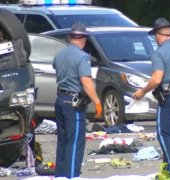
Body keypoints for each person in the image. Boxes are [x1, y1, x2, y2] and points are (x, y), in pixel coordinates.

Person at [133, 18, 170, 179]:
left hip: (169, 95)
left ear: (158, 35)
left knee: (163, 132)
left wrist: (142, 92)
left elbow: (157, 79)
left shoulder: (159, 53)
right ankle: (168, 166)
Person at [53, 23, 102, 178]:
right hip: (74, 102)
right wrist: (97, 102)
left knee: (63, 139)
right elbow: (86, 81)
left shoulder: (59, 54)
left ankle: (60, 174)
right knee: (75, 141)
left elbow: (56, 68)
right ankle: (72, 175)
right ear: (84, 39)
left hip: (60, 99)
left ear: (69, 37)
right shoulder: (82, 57)